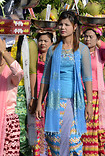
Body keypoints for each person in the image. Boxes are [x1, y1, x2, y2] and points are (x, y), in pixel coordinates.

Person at [36, 11, 93, 156]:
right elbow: (46, 78)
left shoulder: (82, 49)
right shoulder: (53, 50)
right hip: (54, 102)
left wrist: (90, 103)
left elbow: (87, 78)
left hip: (74, 102)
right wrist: (39, 102)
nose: (63, 27)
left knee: (73, 141)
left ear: (74, 27)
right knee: (54, 139)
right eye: (60, 24)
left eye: (67, 24)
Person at [81, 20, 105, 156]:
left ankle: (94, 151)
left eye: (91, 37)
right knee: (83, 124)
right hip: (81, 92)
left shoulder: (100, 53)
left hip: (96, 93)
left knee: (94, 125)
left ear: (97, 39)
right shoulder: (79, 51)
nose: (87, 39)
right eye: (86, 36)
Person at [31, 32, 54, 156]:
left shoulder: (54, 58)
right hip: (38, 98)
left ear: (51, 42)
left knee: (50, 128)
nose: (42, 43)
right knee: (37, 128)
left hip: (50, 99)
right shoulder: (34, 58)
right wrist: (34, 98)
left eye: (46, 41)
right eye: (40, 40)